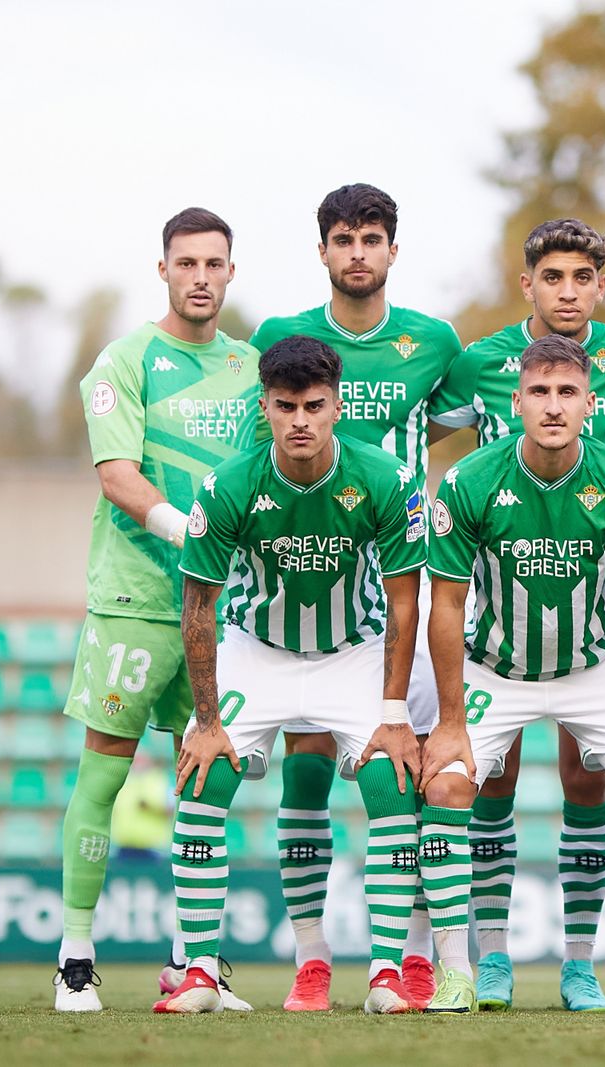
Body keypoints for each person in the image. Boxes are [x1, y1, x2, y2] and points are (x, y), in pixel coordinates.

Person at [153, 335, 429, 1014]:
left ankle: (386, 972)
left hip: (353, 651)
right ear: (266, 407)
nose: (300, 419)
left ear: (337, 405)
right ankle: (200, 971)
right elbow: (199, 608)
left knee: (391, 778)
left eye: (314, 405)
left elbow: (403, 600)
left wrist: (394, 712)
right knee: (202, 774)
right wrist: (210, 721)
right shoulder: (228, 487)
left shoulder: (387, 478)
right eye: (285, 406)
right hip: (259, 648)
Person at [427, 218, 605, 1010]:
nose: (567, 290)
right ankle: (483, 962)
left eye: (581, 277)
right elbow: (418, 419)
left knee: (589, 784)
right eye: (551, 276)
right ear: (527, 281)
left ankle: (582, 963)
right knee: (480, 785)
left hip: (591, 635)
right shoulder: (474, 363)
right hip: (498, 634)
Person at [248, 183, 462, 1011]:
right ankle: (310, 958)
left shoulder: (434, 342)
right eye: (344, 238)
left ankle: (407, 956)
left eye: (373, 237)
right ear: (324, 251)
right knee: (304, 773)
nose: (359, 252)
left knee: (399, 768)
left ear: (393, 251)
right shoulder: (280, 340)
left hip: (400, 588)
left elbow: (523, 374)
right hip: (307, 585)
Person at [55, 207, 259, 1013]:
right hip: (137, 602)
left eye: (215, 263)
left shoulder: (251, 367)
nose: (201, 276)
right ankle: (75, 957)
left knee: (204, 783)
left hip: (219, 610)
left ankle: (194, 964)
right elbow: (117, 473)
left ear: (231, 273)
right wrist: (185, 531)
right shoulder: (125, 360)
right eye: (187, 263)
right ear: (164, 270)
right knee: (104, 771)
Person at [111, 754, 173, 861]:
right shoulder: (123, 781)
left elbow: (170, 809)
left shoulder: (160, 779)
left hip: (153, 846)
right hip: (124, 845)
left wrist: (150, 807)